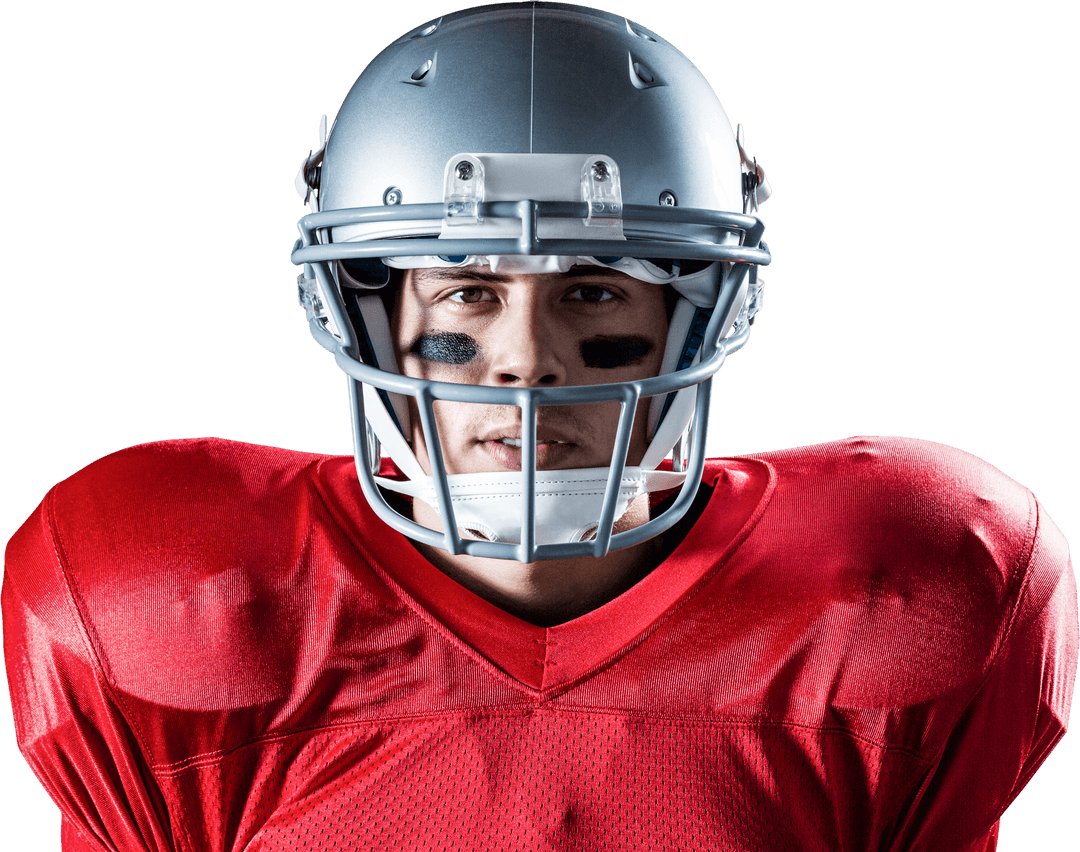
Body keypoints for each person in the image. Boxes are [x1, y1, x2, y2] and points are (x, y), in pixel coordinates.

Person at [2, 3, 1075, 850]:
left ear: (698, 312)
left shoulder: (909, 595)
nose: (527, 354)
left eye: (597, 289)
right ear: (364, 313)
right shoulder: (174, 607)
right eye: (468, 288)